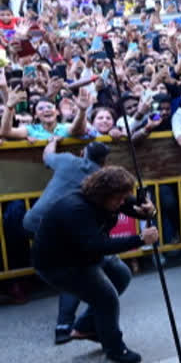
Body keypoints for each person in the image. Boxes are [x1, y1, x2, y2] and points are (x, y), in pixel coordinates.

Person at [32, 166, 158, 363]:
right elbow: (97, 245)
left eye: (125, 197)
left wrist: (150, 210)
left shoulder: (112, 199)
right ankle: (115, 350)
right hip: (59, 263)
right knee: (106, 298)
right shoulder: (76, 208)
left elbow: (140, 209)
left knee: (121, 275)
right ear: (103, 195)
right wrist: (141, 239)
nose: (123, 202)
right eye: (120, 198)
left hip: (83, 254)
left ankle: (86, 326)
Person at [22, 138, 111, 345]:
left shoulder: (67, 160)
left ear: (82, 153)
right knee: (77, 268)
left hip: (31, 222)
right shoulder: (101, 178)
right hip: (54, 229)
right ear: (105, 161)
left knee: (72, 267)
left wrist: (52, 141)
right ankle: (65, 327)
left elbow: (47, 155)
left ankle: (76, 323)